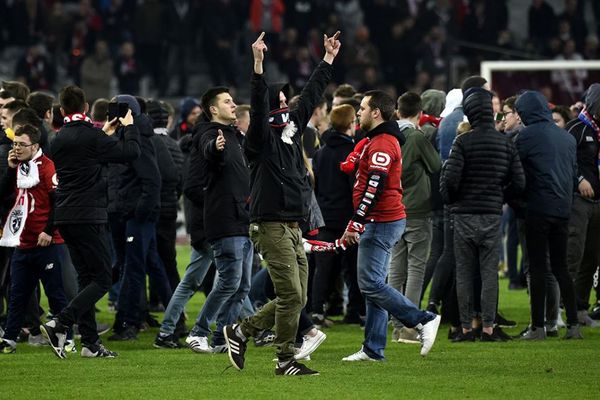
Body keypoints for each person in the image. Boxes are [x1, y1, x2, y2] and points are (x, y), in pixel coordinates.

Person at [223, 31, 341, 377]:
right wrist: (258, 65)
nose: (292, 103)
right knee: (291, 295)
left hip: (292, 224)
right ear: (277, 104)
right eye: (286, 98)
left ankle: (241, 331)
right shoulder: (260, 139)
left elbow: (313, 93)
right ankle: (285, 359)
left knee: (296, 297)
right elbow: (259, 108)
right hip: (271, 223)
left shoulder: (291, 132)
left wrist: (329, 59)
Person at [340, 90, 441, 362]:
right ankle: (374, 348)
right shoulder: (377, 139)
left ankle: (422, 319)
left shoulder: (383, 142)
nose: (358, 112)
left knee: (370, 283)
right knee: (375, 284)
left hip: (381, 220)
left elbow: (375, 186)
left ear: (376, 112)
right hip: (381, 219)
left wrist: (357, 221)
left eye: (362, 108)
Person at [40, 85, 140, 358]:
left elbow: (83, 156)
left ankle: (90, 343)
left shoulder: (56, 139)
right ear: (84, 108)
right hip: (89, 214)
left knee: (86, 278)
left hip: (65, 215)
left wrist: (103, 134)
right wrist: (129, 127)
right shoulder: (93, 137)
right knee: (103, 279)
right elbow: (130, 153)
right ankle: (60, 322)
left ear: (62, 111)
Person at [440, 87, 525, 342]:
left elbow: (450, 180)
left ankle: (466, 329)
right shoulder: (505, 143)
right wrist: (499, 196)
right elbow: (519, 183)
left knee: (465, 273)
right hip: (491, 215)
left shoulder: (463, 142)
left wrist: (452, 199)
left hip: (464, 215)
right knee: (489, 274)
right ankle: (488, 327)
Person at [186, 87, 253, 353]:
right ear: (213, 109)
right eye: (227, 102)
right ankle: (198, 332)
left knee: (243, 285)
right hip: (225, 220)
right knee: (229, 281)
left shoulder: (235, 135)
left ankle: (221, 338)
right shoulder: (209, 134)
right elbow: (207, 150)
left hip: (243, 219)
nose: (233, 105)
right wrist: (215, 148)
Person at [515, 90, 583, 340]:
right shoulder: (565, 138)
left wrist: (517, 202)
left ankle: (537, 327)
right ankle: (573, 325)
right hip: (563, 209)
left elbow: (517, 173)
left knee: (538, 267)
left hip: (537, 208)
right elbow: (573, 174)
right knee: (561, 268)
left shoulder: (525, 136)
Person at [0, 125, 68, 354]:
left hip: (46, 242)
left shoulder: (47, 167)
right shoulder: (17, 166)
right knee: (17, 294)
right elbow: (2, 195)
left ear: (35, 146)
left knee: (55, 293)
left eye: (22, 144)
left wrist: (48, 231)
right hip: (23, 241)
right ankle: (9, 339)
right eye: (15, 144)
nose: (17, 148)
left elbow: (58, 201)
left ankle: (65, 338)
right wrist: (9, 170)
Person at [389, 92, 441, 343]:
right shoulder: (417, 137)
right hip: (417, 210)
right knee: (416, 270)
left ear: (398, 111)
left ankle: (397, 325)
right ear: (420, 113)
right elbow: (436, 165)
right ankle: (410, 328)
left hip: (393, 209)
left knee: (395, 270)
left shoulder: (387, 134)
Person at [564, 83, 600, 327]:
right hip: (579, 202)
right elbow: (565, 160)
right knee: (572, 256)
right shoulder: (575, 127)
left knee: (592, 258)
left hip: (598, 203)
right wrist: (579, 180)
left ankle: (580, 309)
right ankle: (559, 310)